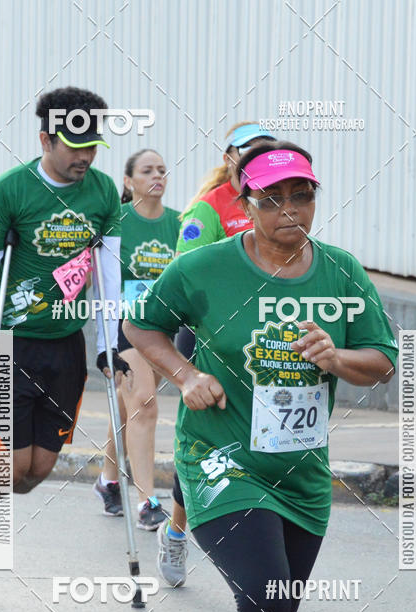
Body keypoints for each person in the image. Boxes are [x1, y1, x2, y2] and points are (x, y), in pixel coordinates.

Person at [124, 141, 398, 612]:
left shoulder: (340, 273)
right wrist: (185, 376)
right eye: (271, 198)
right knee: (269, 597)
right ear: (244, 204)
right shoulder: (205, 268)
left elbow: (383, 360)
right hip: (222, 461)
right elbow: (142, 323)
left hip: (301, 473)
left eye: (301, 195)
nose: (288, 210)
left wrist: (337, 356)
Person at [0, 86, 124, 582]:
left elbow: (109, 271)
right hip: (12, 342)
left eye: (92, 145)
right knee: (8, 465)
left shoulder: (102, 193)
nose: (85, 156)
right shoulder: (8, 191)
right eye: (75, 146)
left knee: (36, 473)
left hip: (66, 347)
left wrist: (108, 344)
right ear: (45, 140)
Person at [157, 122, 276, 586]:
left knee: (264, 442)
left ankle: (265, 541)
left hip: (265, 342)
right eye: (249, 155)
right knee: (203, 445)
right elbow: (185, 278)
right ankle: (176, 530)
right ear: (230, 159)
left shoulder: (278, 201)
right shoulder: (208, 209)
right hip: (208, 340)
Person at [94, 149, 180, 530]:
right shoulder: (117, 222)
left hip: (165, 329)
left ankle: (107, 479)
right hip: (125, 326)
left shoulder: (180, 223)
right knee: (144, 404)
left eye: (162, 170)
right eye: (147, 171)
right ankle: (147, 501)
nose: (157, 176)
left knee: (131, 406)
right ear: (128, 181)